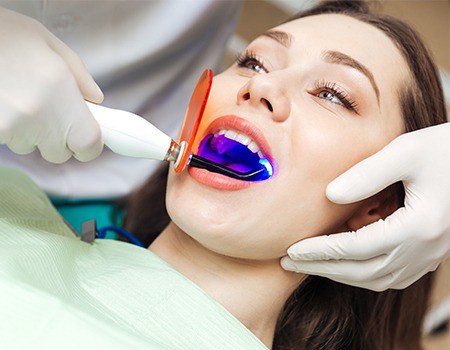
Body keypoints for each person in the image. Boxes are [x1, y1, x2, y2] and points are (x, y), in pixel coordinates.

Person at [0, 1, 447, 349]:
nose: (263, 86)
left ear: (375, 208)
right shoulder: (11, 205)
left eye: (332, 94)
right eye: (253, 62)